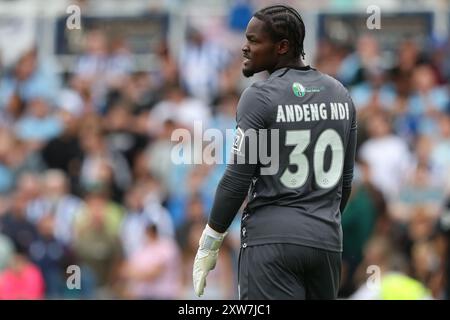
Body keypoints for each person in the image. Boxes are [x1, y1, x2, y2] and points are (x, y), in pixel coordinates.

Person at [193, 4, 357, 300]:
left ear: (282, 47)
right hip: (326, 242)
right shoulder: (341, 94)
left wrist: (210, 241)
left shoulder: (260, 96)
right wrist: (316, 224)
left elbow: (236, 180)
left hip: (271, 244)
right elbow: (344, 184)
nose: (244, 47)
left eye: (254, 41)